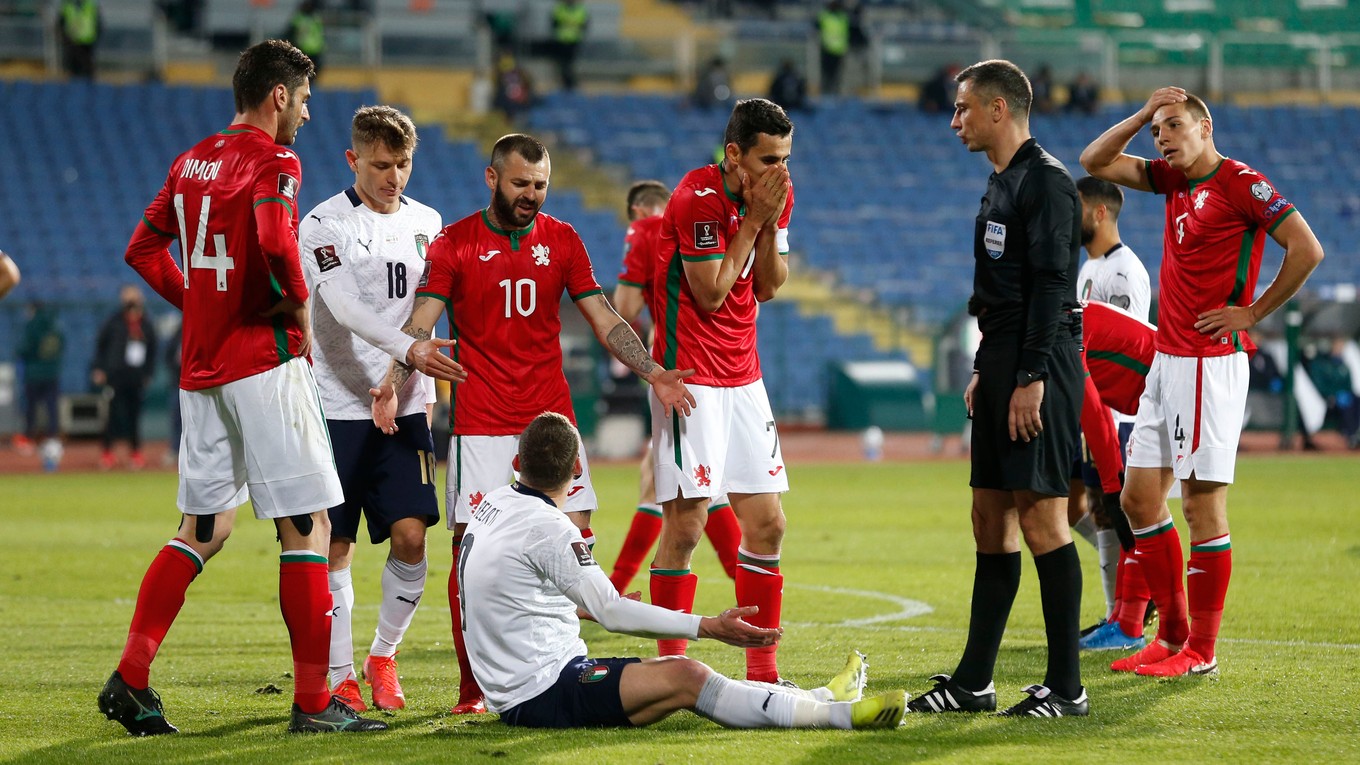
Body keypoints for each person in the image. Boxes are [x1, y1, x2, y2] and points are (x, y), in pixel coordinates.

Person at [100, 39, 386, 736]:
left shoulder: (190, 159)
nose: (309, 116)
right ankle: (316, 704)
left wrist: (200, 305)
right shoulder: (274, 160)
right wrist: (294, 306)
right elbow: (271, 237)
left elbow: (142, 249)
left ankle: (130, 678)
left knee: (205, 526)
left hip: (201, 370)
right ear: (279, 95)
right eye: (306, 100)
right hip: (264, 360)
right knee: (308, 526)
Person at [373, 133, 696, 715]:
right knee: (471, 555)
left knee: (574, 544)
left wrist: (653, 372)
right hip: (484, 423)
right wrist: (393, 388)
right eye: (521, 184)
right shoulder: (454, 243)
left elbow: (603, 318)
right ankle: (474, 693)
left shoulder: (563, 239)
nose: (531, 196)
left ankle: (557, 666)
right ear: (493, 179)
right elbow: (420, 326)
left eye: (541, 185)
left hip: (550, 422)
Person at [1080, 86, 1324, 676]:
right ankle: (1173, 635)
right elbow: (1094, 162)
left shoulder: (1242, 183)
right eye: (1157, 129)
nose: (1162, 138)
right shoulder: (1172, 182)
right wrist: (1138, 116)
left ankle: (1201, 652)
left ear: (1205, 128)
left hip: (1210, 363)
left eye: (1172, 126)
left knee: (1201, 507)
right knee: (1138, 500)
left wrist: (1253, 313)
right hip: (1167, 359)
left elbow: (1306, 248)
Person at [458, 411, 908, 730]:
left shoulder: (491, 504)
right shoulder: (551, 528)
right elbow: (614, 613)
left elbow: (494, 594)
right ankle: (839, 716)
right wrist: (709, 626)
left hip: (521, 684)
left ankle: (823, 697)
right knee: (685, 674)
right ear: (578, 469)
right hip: (544, 690)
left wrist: (581, 611)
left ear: (518, 463)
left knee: (674, 674)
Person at [907, 60, 1087, 718]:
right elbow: (999, 292)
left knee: (1044, 516)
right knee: (990, 516)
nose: (954, 121)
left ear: (997, 111)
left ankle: (1067, 688)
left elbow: (1050, 288)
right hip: (1005, 356)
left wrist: (1032, 375)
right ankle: (973, 681)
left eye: (962, 109)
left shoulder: (1047, 183)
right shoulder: (999, 184)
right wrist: (988, 366)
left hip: (1042, 358)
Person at [300, 105, 450, 713]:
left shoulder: (428, 222)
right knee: (336, 544)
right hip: (336, 408)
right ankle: (340, 675)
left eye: (403, 164)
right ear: (352, 159)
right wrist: (392, 364)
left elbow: (425, 309)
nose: (393, 177)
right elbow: (342, 310)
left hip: (407, 403)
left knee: (412, 537)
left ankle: (383, 656)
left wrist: (398, 376)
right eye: (381, 165)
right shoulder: (323, 224)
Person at [648, 98, 794, 684]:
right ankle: (669, 668)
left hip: (745, 377)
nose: (778, 170)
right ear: (733, 155)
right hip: (693, 380)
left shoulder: (776, 192)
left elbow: (771, 285)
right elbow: (709, 293)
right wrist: (756, 221)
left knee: (769, 526)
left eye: (785, 157)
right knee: (685, 527)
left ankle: (762, 671)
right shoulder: (696, 199)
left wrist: (765, 220)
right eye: (767, 159)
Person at [607, 180, 741, 594]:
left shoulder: (645, 230)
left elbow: (624, 310)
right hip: (730, 369)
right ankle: (749, 589)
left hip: (677, 373)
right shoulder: (714, 223)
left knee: (668, 492)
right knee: (709, 488)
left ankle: (612, 592)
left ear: (637, 212)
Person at [1069, 175, 1152, 646]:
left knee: (1119, 507)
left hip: (1120, 414)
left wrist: (1120, 423)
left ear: (1099, 212)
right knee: (1098, 512)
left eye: (1076, 206)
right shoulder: (1087, 270)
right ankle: (1115, 615)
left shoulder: (1125, 273)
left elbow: (1133, 351)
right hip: (1091, 407)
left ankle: (1131, 617)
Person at [91, 284, 158, 471]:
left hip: (136, 378)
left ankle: (135, 453)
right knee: (112, 416)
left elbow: (152, 351)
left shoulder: (146, 323)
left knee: (134, 416)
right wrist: (99, 368)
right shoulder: (114, 321)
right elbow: (100, 345)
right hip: (115, 376)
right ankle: (107, 453)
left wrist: (148, 373)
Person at [17, 301, 64, 458]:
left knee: (32, 408)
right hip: (52, 373)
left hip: (34, 374)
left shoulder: (32, 326)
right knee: (52, 408)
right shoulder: (56, 326)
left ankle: (29, 438)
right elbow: (62, 345)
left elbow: (23, 349)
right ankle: (53, 438)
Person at [549, 0, 588, 91]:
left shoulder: (580, 9)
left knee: (570, 64)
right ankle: (566, 84)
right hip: (561, 40)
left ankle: (570, 84)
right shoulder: (559, 9)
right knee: (563, 64)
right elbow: (554, 23)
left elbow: (584, 25)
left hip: (574, 40)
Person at [58, 0, 100, 79]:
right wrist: (65, 39)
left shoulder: (91, 5)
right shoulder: (67, 6)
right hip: (71, 43)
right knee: (72, 70)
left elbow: (98, 24)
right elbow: (61, 24)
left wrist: (95, 38)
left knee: (87, 70)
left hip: (87, 43)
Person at [815, 0, 850, 96]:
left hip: (839, 50)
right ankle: (825, 93)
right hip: (826, 49)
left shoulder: (843, 17)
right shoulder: (824, 16)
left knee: (837, 76)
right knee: (826, 75)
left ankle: (835, 94)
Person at [287, 0, 326, 76]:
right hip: (306, 49)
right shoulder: (300, 18)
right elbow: (291, 33)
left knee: (313, 73)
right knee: (306, 73)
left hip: (314, 50)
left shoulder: (314, 18)